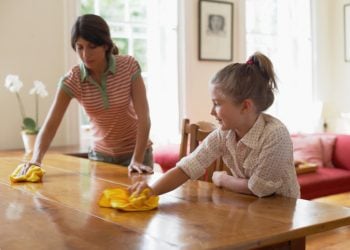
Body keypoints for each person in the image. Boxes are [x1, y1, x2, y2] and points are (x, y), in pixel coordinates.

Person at [129, 52, 300, 198]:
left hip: (283, 216)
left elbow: (259, 189)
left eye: (217, 103)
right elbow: (187, 167)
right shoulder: (224, 134)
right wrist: (152, 190)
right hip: (252, 209)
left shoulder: (275, 135)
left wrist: (222, 179)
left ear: (245, 106)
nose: (212, 111)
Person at [18, 14, 153, 175]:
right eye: (79, 47)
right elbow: (50, 125)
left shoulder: (129, 66)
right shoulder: (73, 80)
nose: (85, 54)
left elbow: (144, 117)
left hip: (138, 155)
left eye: (91, 46)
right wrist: (36, 160)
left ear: (105, 45)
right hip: (101, 159)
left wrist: (137, 159)